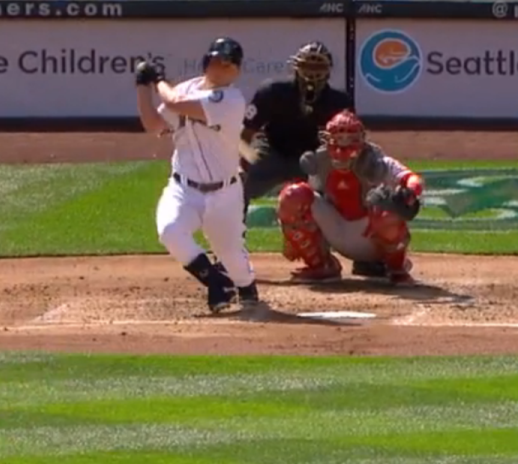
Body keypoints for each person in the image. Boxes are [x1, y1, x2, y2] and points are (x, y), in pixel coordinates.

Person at [237, 41, 387, 279]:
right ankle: (231, 253)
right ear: (295, 67)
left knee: (346, 190)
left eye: (318, 68)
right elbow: (244, 133)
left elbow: (351, 141)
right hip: (272, 150)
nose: (312, 74)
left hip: (315, 157)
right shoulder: (272, 92)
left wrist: (346, 170)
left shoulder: (339, 102)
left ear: (329, 71)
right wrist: (240, 165)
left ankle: (359, 256)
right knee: (237, 186)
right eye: (307, 66)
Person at [134, 37, 259, 313]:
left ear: (236, 70)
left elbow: (176, 102)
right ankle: (217, 282)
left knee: (232, 257)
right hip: (184, 188)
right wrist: (143, 87)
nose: (220, 68)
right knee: (170, 230)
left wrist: (159, 81)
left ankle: (245, 284)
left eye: (227, 64)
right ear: (206, 62)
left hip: (224, 192)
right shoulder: (186, 89)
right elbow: (154, 125)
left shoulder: (231, 99)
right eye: (216, 61)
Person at [275, 110, 423, 286]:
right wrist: (289, 235)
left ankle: (396, 267)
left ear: (361, 142)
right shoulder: (320, 161)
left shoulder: (376, 161)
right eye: (337, 141)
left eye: (350, 143)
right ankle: (321, 265)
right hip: (337, 229)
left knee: (384, 204)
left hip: (371, 237)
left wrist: (410, 193)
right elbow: (307, 202)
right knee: (293, 195)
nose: (342, 150)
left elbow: (412, 178)